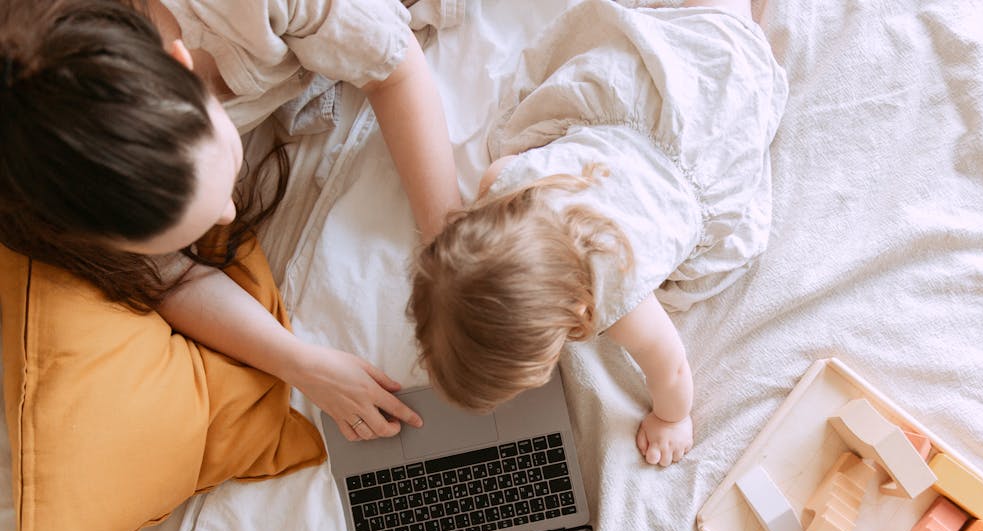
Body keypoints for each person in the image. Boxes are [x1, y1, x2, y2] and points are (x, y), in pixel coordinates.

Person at [0, 0, 463, 441]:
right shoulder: (59, 186)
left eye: (223, 181)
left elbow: (392, 67)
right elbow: (169, 278)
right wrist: (302, 364)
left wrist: (445, 249)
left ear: (181, 63)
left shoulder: (246, 12)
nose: (231, 213)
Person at [408, 0, 788, 466]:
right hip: (643, 107)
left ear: (574, 311)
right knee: (709, 26)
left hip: (702, 149)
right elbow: (501, 174)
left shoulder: (620, 295)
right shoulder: (507, 184)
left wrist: (673, 419)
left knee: (734, 43)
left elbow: (671, 366)